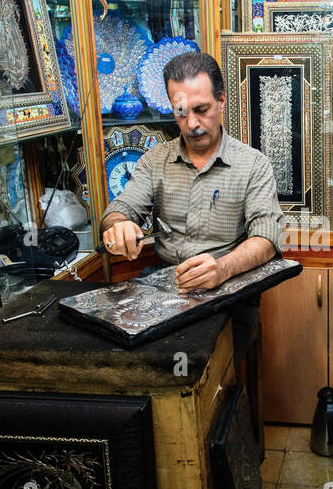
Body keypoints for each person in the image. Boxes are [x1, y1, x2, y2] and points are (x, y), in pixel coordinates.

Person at [99, 51, 284, 359]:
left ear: (222, 101)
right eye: (181, 112)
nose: (193, 124)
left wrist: (223, 268)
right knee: (133, 362)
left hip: (229, 298)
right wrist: (118, 226)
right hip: (163, 290)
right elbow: (119, 210)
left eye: (202, 110)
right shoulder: (154, 161)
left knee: (202, 365)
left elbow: (266, 238)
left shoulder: (253, 165)